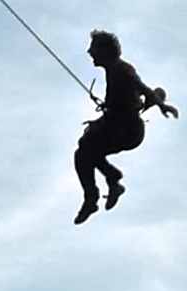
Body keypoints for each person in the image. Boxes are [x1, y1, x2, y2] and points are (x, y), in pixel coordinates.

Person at [74, 30, 178, 225]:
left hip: (128, 131)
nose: (89, 52)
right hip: (118, 128)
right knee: (84, 150)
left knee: (84, 151)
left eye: (93, 48)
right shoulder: (113, 70)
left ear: (104, 50)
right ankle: (109, 184)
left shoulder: (121, 70)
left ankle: (98, 193)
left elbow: (141, 86)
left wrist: (161, 104)